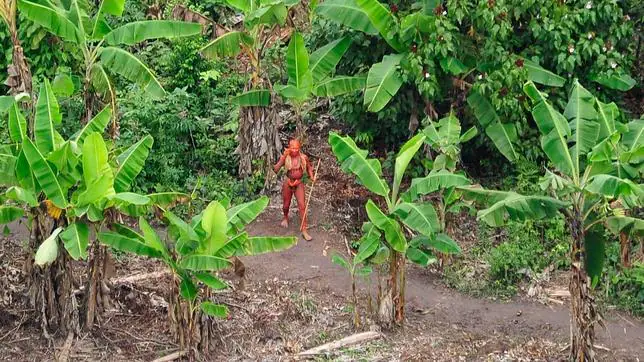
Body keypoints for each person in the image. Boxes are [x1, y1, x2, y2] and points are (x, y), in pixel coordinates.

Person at [273, 139, 315, 241]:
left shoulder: (303, 157)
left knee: (302, 205)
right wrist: (282, 158)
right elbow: (276, 169)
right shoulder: (286, 157)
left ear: (299, 148)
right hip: (288, 182)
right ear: (289, 147)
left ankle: (304, 230)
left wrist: (312, 176)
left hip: (299, 183)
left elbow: (309, 168)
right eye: (293, 148)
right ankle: (285, 217)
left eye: (297, 148)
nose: (295, 150)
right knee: (286, 205)